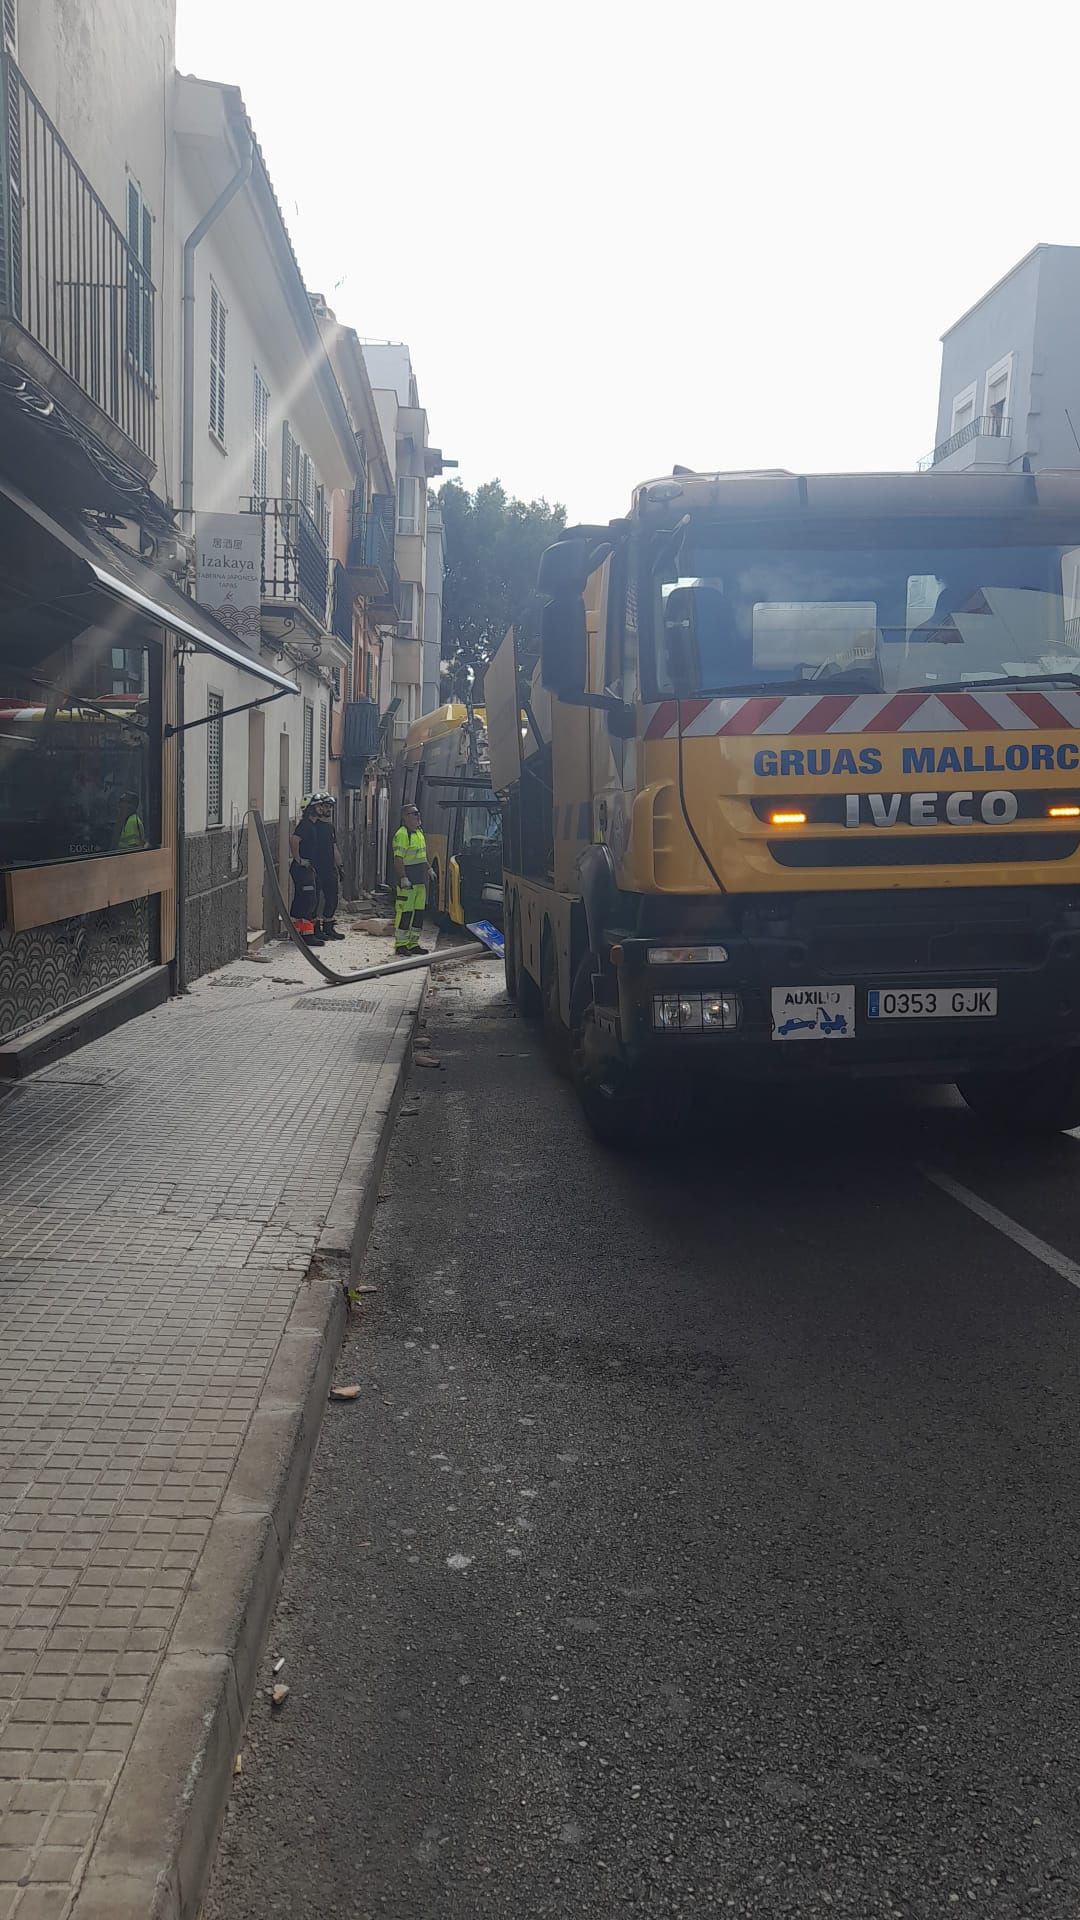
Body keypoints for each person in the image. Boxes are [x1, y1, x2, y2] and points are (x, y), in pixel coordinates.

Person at [290, 792, 344, 943]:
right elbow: (294, 840)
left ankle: (306, 932)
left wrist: (340, 866)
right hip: (305, 869)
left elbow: (333, 849)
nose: (322, 809)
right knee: (308, 901)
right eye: (319, 806)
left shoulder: (316, 826)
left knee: (311, 900)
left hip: (312, 868)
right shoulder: (306, 825)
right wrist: (299, 860)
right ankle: (306, 934)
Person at [392, 802, 432, 956]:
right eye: (414, 814)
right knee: (405, 913)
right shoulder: (402, 834)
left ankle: (413, 944)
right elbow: (398, 858)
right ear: (405, 817)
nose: (418, 816)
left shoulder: (418, 833)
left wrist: (429, 868)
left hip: (420, 881)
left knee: (418, 913)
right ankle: (401, 945)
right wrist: (403, 878)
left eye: (418, 813)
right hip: (408, 882)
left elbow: (421, 856)